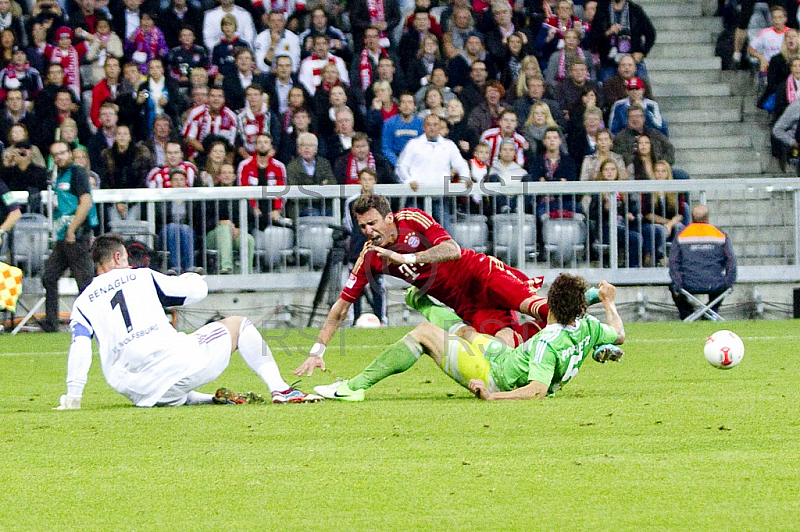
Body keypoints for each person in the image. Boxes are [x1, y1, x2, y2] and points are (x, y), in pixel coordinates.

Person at [292, 193, 556, 377]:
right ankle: (543, 349)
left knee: (538, 308)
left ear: (389, 218)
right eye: (362, 227)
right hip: (464, 303)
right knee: (502, 347)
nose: (368, 231)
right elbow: (340, 307)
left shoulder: (412, 219)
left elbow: (451, 249)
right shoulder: (370, 255)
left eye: (372, 223)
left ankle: (592, 320)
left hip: (479, 273)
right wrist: (318, 351)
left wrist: (407, 257)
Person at [54, 234, 320, 409]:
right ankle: (280, 389)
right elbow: (194, 293)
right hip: (174, 366)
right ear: (117, 257)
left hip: (136, 389)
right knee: (240, 325)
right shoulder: (141, 275)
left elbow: (79, 346)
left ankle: (206, 400)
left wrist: (74, 395)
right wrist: (192, 278)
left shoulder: (83, 301)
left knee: (169, 383)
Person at [313, 274, 624, 402]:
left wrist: (491, 396)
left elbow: (537, 391)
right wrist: (606, 301)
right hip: (506, 357)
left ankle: (352, 388)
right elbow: (620, 335)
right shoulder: (589, 326)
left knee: (423, 333)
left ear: (551, 306)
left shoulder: (546, 342)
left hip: (494, 376)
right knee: (471, 334)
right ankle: (421, 302)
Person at [41, 141, 98, 332]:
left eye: (62, 153)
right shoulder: (58, 175)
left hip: (76, 234)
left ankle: (93, 321)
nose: (59, 157)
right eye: (55, 155)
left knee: (85, 281)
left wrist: (73, 229)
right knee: (49, 275)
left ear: (70, 154)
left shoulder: (77, 172)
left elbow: (86, 203)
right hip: (64, 235)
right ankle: (51, 322)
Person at [669, 205, 737, 321]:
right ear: (707, 218)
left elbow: (673, 262)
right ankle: (711, 312)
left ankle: (688, 314)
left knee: (672, 287)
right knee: (721, 288)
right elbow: (731, 261)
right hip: (715, 283)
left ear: (692, 218)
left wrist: (677, 284)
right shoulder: (719, 234)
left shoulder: (682, 234)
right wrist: (729, 283)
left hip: (688, 284)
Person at [343, 169, 387, 326]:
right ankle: (355, 319)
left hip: (375, 249)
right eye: (364, 179)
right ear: (359, 181)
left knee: (377, 285)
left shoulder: (381, 202)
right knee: (355, 286)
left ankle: (381, 319)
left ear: (374, 181)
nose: (367, 183)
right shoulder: (351, 202)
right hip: (356, 250)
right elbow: (348, 224)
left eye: (370, 179)